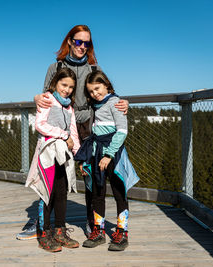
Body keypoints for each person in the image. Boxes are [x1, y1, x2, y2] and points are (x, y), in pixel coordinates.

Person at [16, 24, 129, 240]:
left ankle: (91, 221)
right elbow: (46, 97)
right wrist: (36, 98)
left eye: (87, 43)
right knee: (52, 175)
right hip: (60, 126)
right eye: (78, 41)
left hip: (88, 128)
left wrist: (125, 102)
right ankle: (42, 223)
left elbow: (107, 94)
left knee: (91, 177)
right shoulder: (55, 67)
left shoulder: (95, 69)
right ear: (70, 41)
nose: (82, 46)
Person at [75, 70, 139, 251]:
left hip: (113, 154)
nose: (95, 93)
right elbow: (93, 134)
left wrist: (108, 155)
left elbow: (122, 131)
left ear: (107, 85)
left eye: (97, 88)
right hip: (97, 154)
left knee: (119, 192)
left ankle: (122, 232)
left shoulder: (115, 103)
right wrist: (87, 160)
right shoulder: (94, 105)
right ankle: (99, 231)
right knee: (97, 193)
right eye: (91, 91)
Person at [25, 67, 81, 252]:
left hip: (63, 155)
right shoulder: (48, 99)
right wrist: (63, 135)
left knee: (61, 192)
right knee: (46, 192)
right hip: (47, 155)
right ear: (56, 83)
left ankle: (59, 230)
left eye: (71, 87)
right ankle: (44, 232)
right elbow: (40, 125)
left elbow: (73, 131)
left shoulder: (69, 107)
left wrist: (77, 152)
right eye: (64, 85)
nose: (67, 89)